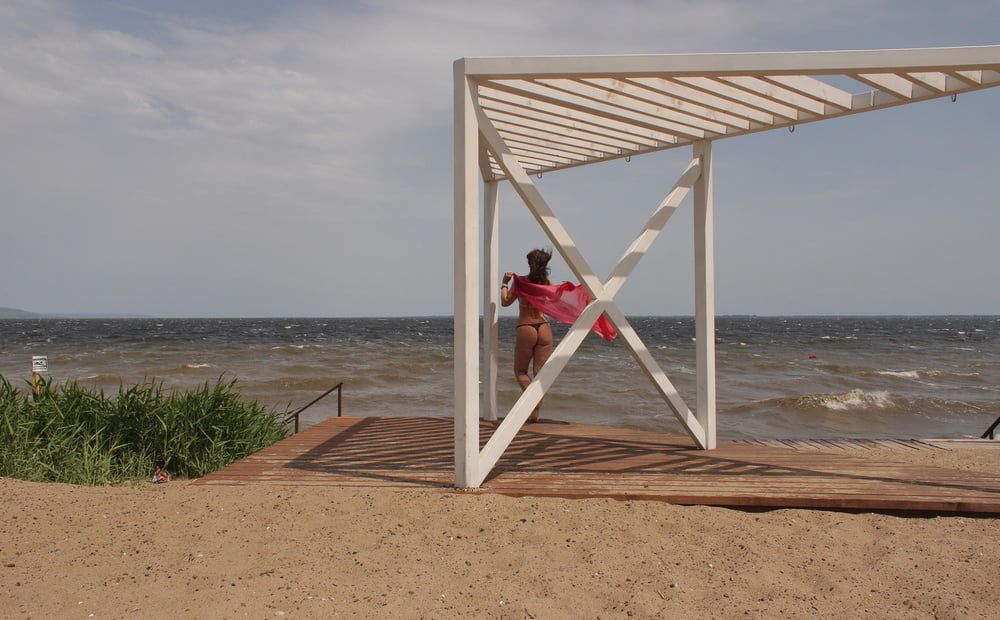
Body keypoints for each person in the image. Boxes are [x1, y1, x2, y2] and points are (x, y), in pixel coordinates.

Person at [501, 249, 554, 423]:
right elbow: (555, 302)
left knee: (520, 371)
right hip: (544, 327)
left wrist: (504, 284)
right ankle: (534, 416)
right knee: (540, 375)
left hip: (526, 327)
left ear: (531, 264)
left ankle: (533, 404)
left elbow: (505, 302)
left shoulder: (521, 282)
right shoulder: (546, 283)